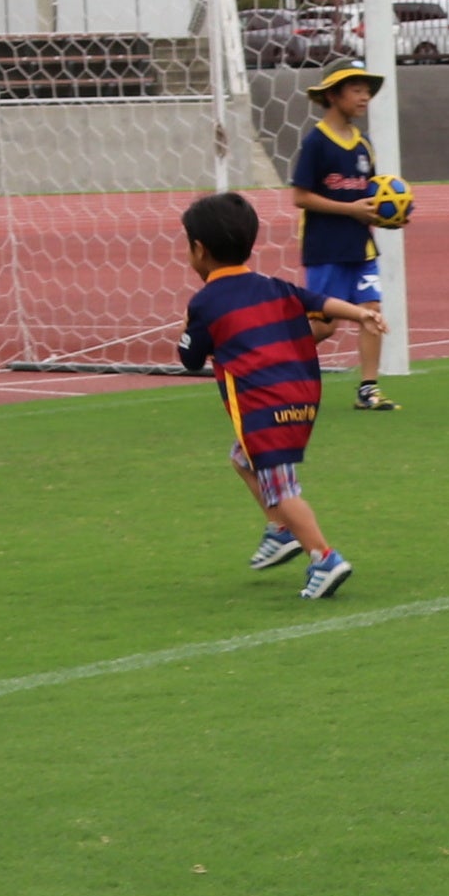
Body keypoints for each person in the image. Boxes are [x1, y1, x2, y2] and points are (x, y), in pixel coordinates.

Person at [176, 190, 361, 601]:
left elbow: (189, 358)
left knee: (282, 488)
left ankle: (324, 557)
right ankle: (280, 530)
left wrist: (190, 325)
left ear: (199, 250)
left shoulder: (206, 301)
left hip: (263, 405)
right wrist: (360, 311)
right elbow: (318, 303)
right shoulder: (272, 286)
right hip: (301, 398)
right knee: (242, 458)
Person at [288, 62, 402, 412]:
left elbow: (372, 196)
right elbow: (300, 197)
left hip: (361, 247)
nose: (365, 96)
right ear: (334, 95)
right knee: (324, 327)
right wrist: (350, 209)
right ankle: (274, 364)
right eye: (356, 89)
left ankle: (368, 389)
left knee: (371, 311)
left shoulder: (364, 145)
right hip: (325, 248)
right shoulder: (317, 143)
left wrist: (390, 215)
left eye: (367, 90)